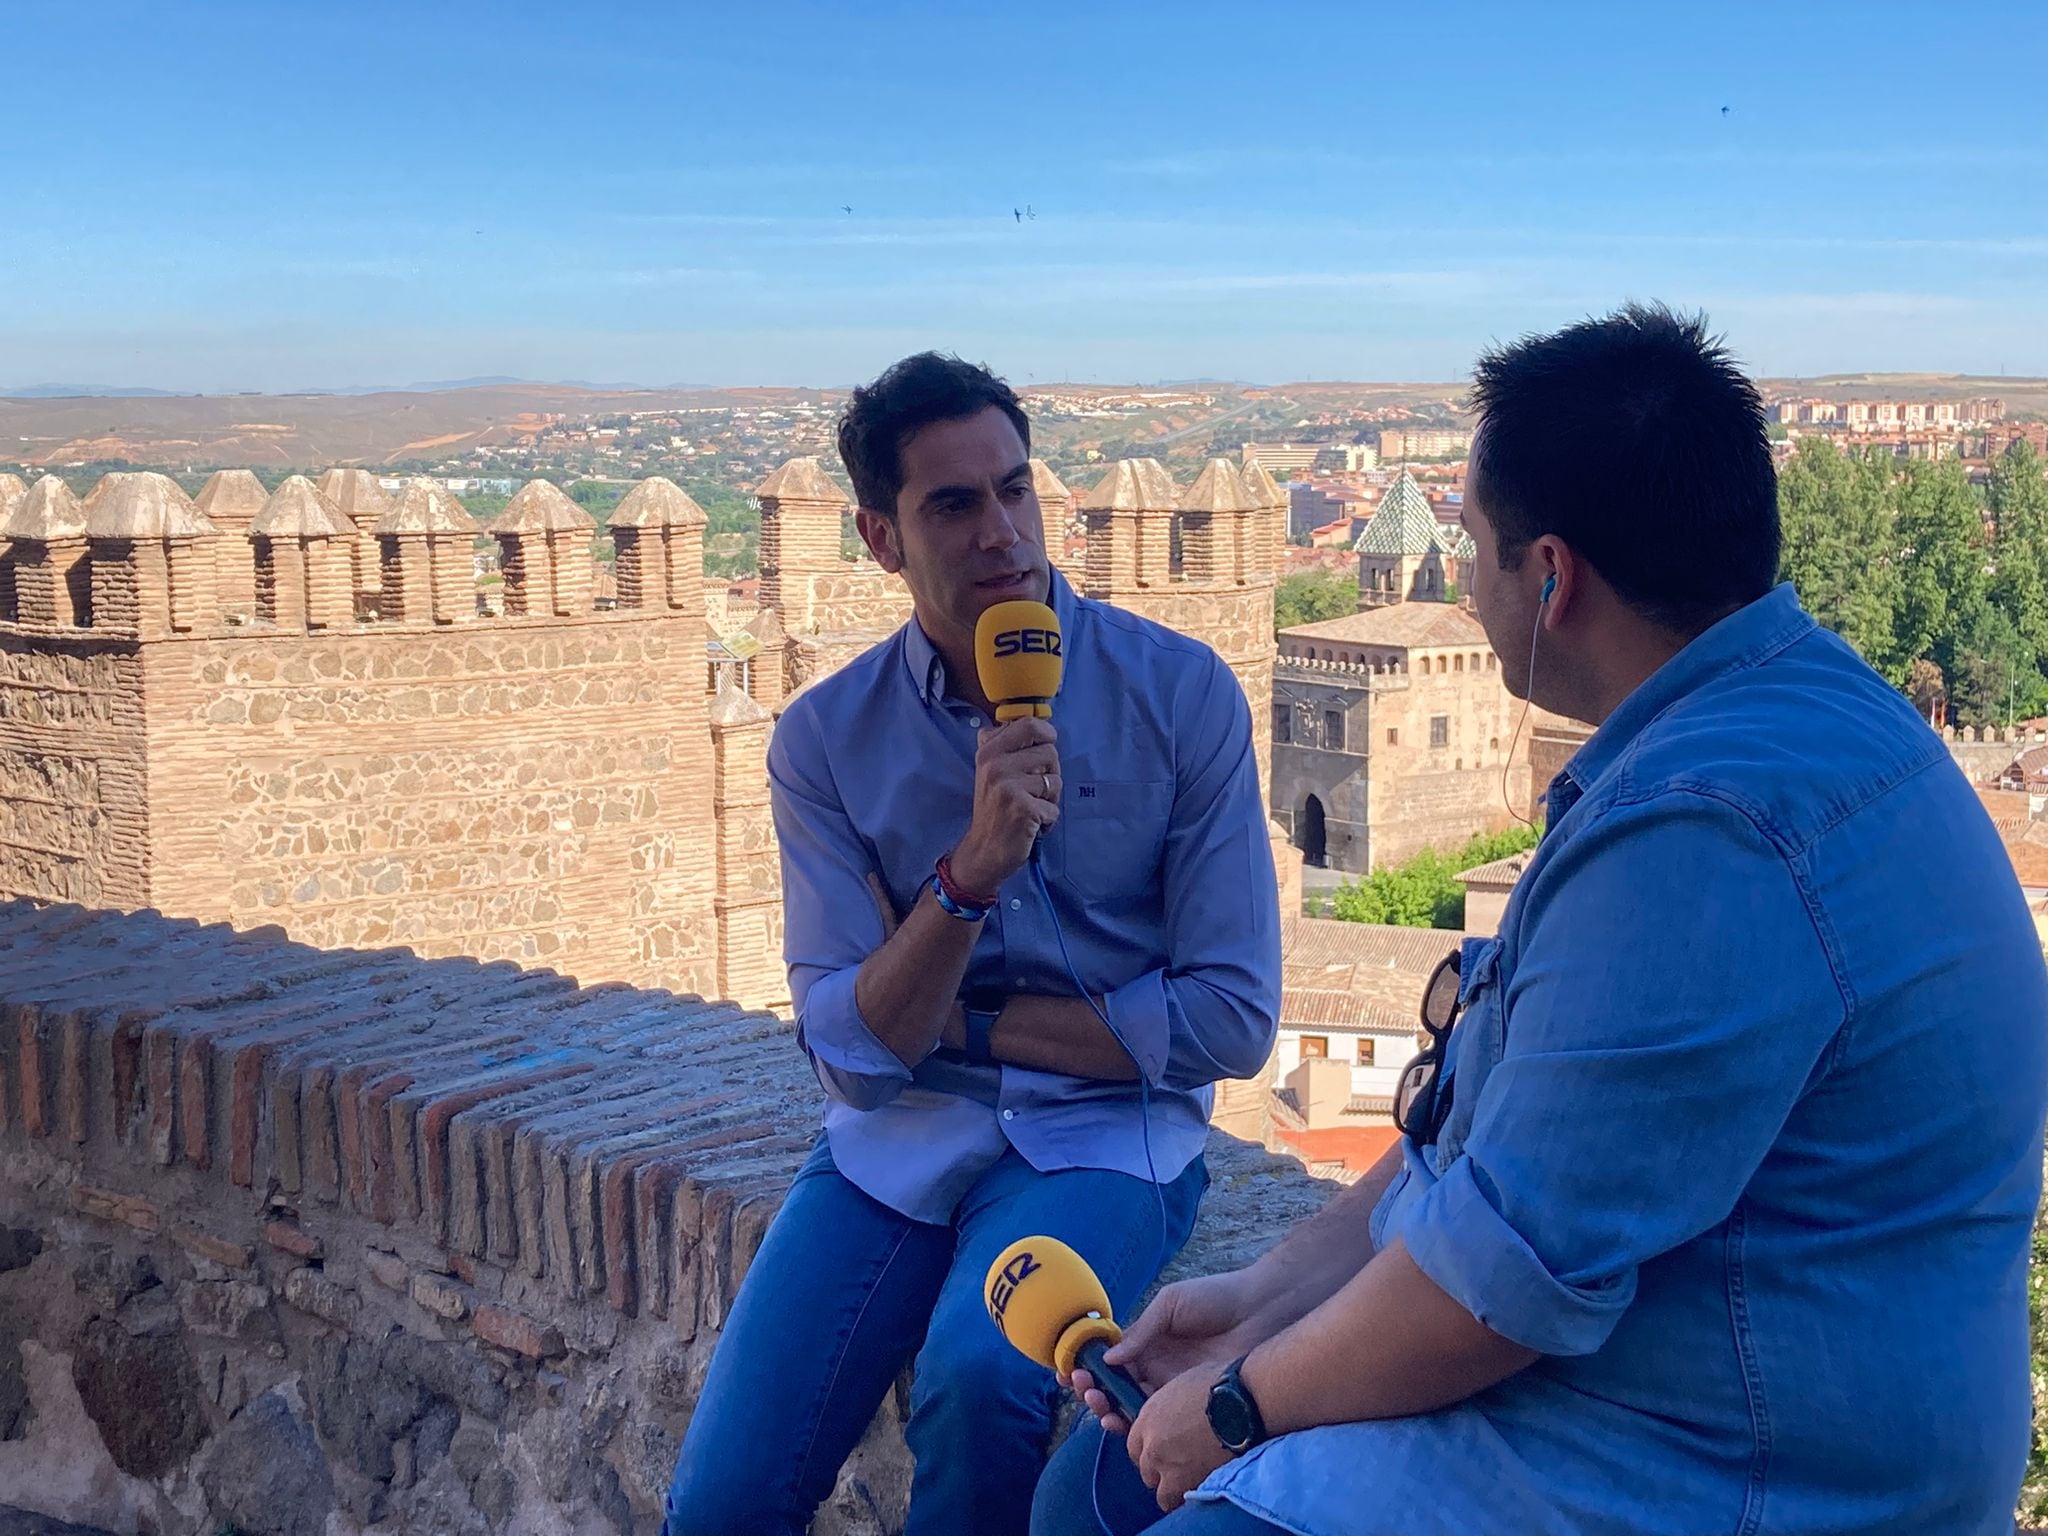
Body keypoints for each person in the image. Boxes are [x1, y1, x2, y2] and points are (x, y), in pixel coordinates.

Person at [1033, 303, 2048, 1536]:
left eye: (1472, 547)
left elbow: (1497, 1287)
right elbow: (1488, 1123)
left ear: (1552, 577)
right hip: (1663, 1397)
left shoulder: (1702, 829)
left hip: (1727, 1468)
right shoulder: (1778, 716)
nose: (1461, 585)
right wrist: (1267, 1292)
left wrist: (1241, 1402)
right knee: (1089, 1487)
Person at [662, 352, 1282, 1536]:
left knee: (985, 1377)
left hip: (1105, 1142)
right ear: (880, 538)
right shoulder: (824, 743)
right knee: (721, 1499)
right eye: (951, 504)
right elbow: (850, 1060)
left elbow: (1231, 1022)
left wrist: (954, 1021)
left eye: (1014, 489)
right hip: (892, 1145)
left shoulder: (1181, 695)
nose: (1001, 531)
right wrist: (968, 875)